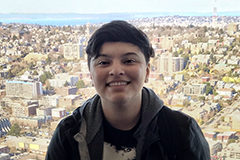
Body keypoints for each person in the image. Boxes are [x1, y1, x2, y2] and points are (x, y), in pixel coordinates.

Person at [46, 20, 210, 160]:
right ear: (91, 75)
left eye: (129, 61)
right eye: (104, 62)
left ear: (147, 71)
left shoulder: (180, 131)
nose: (116, 71)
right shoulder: (68, 135)